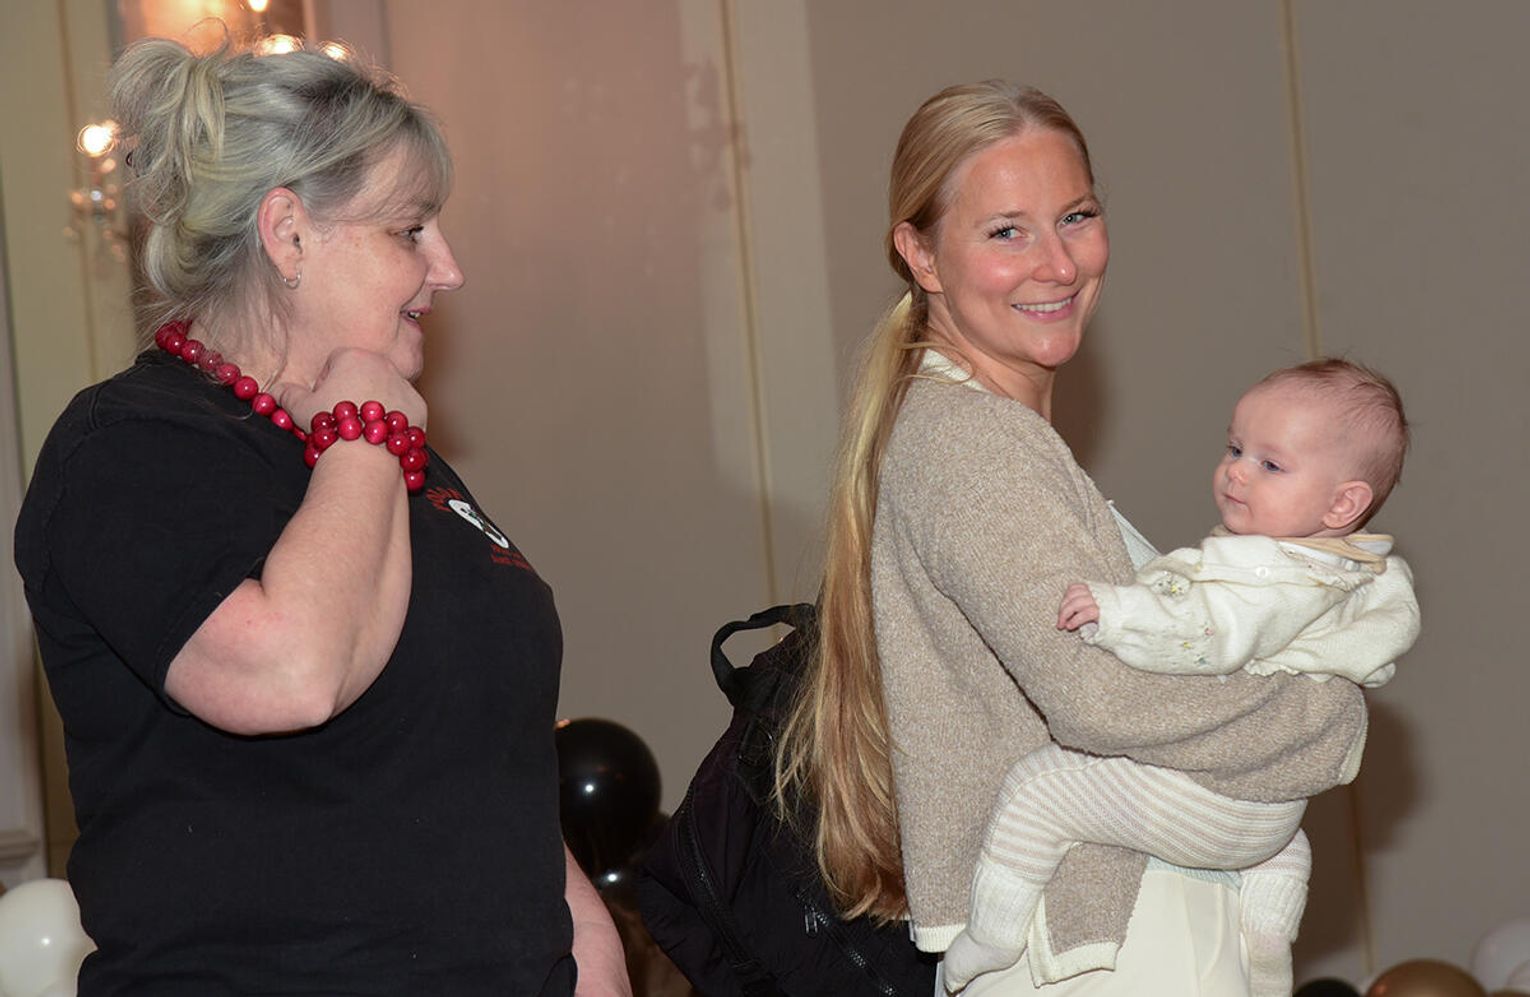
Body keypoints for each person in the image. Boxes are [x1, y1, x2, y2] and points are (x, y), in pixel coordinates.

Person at [13, 35, 629, 996]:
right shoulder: (129, 446)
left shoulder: (401, 462)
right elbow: (291, 673)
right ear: (288, 233)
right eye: (410, 230)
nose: (450, 269)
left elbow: (498, 777)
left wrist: (593, 961)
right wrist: (364, 431)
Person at [773, 80, 1371, 997]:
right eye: (1006, 231)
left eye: (1076, 217)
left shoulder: (981, 432)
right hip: (1111, 953)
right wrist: (1328, 719)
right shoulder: (973, 442)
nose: (1057, 263)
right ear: (921, 255)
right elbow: (1101, 696)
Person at [942, 359, 1421, 995]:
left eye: (1271, 464)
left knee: (1039, 790)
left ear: (1343, 503)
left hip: (1210, 803)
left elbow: (1208, 633)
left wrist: (1118, 613)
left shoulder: (1268, 574)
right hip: (1272, 820)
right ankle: (1269, 953)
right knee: (1285, 852)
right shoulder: (1357, 573)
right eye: (1235, 448)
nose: (1237, 471)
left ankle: (992, 935)